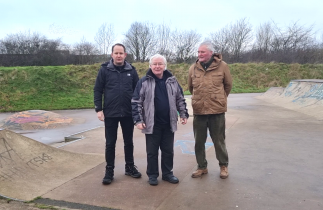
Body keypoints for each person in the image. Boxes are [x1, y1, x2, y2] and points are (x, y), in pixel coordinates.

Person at [132, 54, 189, 186]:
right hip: (152, 124)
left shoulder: (173, 81)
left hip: (169, 123)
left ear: (165, 66)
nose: (157, 66)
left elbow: (180, 99)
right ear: (150, 66)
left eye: (160, 64)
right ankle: (152, 175)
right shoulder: (144, 82)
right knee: (152, 152)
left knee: (168, 151)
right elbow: (136, 101)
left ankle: (168, 173)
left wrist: (183, 114)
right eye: (155, 64)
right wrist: (138, 120)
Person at [94, 43, 141, 185]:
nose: (119, 55)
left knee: (129, 142)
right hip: (111, 113)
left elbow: (138, 92)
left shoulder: (131, 71)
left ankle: (129, 167)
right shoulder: (104, 70)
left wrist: (137, 110)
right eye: (116, 53)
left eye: (121, 53)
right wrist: (99, 109)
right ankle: (109, 171)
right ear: (112, 54)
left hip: (128, 113)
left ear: (125, 55)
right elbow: (98, 90)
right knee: (110, 143)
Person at [188, 41, 233, 179]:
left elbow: (228, 85)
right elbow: (191, 87)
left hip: (216, 111)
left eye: (202, 52)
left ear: (211, 53)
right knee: (199, 141)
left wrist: (218, 99)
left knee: (219, 141)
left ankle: (223, 166)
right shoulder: (193, 68)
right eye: (198, 52)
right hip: (199, 111)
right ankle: (202, 167)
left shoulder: (223, 66)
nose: (199, 54)